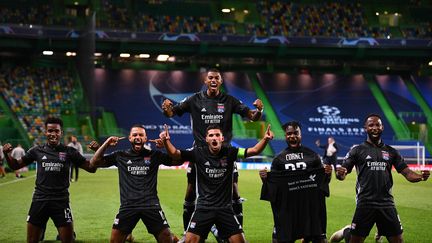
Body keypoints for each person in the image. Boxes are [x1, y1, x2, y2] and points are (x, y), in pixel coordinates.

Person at [161, 68, 264, 241]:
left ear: (221, 81)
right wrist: (166, 109)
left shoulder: (229, 100)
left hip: (225, 154)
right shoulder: (194, 99)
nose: (214, 80)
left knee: (234, 191)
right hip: (199, 153)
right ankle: (189, 231)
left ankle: (233, 231)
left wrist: (259, 110)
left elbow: (253, 117)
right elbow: (171, 113)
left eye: (217, 78)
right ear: (205, 81)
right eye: (210, 78)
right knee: (191, 191)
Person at [160, 123, 274, 243]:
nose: (214, 137)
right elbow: (175, 154)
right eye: (211, 135)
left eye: (217, 135)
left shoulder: (231, 152)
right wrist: (166, 141)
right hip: (203, 208)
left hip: (225, 209)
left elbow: (254, 150)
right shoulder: (197, 153)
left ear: (222, 138)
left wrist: (265, 139)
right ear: (207, 139)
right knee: (190, 241)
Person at [336, 114, 430, 243]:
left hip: (387, 203)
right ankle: (347, 231)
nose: (374, 128)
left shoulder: (391, 152)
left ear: (382, 127)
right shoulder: (357, 150)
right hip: (365, 203)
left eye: (377, 125)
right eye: (371, 125)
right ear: (365, 128)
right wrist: (340, 173)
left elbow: (407, 173)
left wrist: (420, 177)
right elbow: (342, 173)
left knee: (398, 240)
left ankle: (371, 232)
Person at [2, 117, 97, 243]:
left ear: (61, 133)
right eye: (50, 131)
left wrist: (98, 152)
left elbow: (91, 168)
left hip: (61, 201)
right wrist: (7, 155)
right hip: (39, 200)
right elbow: (15, 166)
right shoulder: (37, 151)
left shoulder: (70, 152)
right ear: (45, 132)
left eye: (56, 131)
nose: (53, 134)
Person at [90, 124, 181, 243]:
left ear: (145, 138)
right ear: (129, 138)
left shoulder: (155, 155)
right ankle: (129, 235)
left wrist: (166, 145)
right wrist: (106, 143)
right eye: (135, 135)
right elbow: (94, 162)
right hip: (128, 206)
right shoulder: (120, 155)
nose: (138, 137)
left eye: (141, 135)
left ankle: (172, 238)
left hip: (151, 205)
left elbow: (178, 160)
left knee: (167, 239)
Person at [259, 121, 332, 243]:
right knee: (278, 240)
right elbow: (274, 189)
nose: (292, 136)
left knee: (320, 240)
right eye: (289, 134)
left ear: (301, 135)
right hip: (288, 209)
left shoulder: (313, 156)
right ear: (285, 136)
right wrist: (265, 179)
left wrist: (328, 174)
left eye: (295, 133)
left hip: (310, 209)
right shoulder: (278, 160)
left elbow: (323, 184)